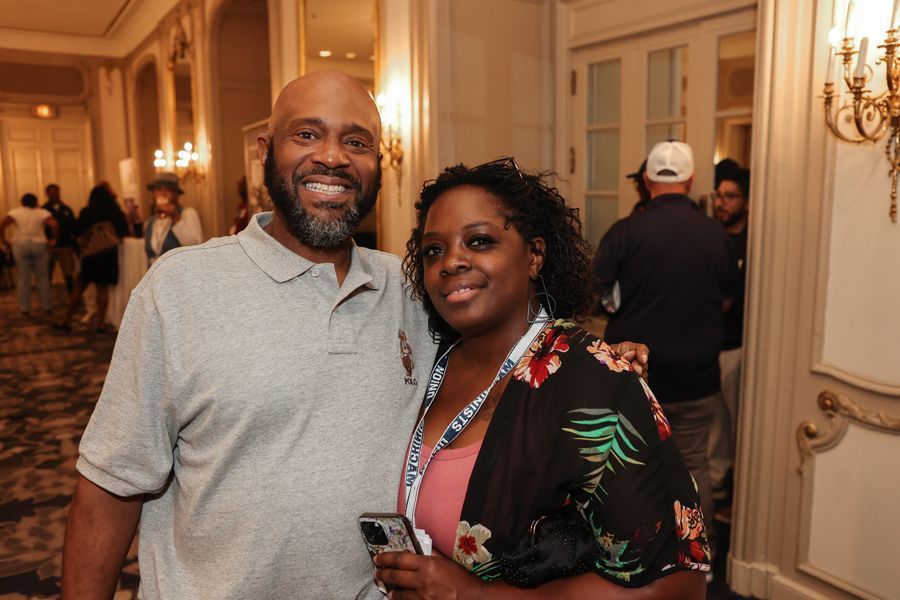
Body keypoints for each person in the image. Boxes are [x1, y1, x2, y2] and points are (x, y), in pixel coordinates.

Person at [62, 71, 650, 599]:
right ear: (265, 151)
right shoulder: (181, 289)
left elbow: (502, 347)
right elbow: (111, 487)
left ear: (378, 163)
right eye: (307, 134)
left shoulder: (412, 288)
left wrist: (597, 364)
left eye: (356, 141)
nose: (332, 158)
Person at [374, 159, 709, 598]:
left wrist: (472, 594)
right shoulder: (426, 361)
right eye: (434, 250)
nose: (452, 261)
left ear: (534, 255)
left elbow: (678, 586)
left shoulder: (596, 383)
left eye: (479, 241)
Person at [592, 141, 737, 561]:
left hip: (638, 380)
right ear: (691, 181)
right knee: (696, 470)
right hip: (698, 378)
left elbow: (598, 294)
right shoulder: (717, 234)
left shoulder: (626, 232)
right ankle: (701, 564)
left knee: (631, 472)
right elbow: (727, 299)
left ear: (648, 181)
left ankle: (639, 564)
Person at [708, 159, 751, 504]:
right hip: (711, 345)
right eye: (719, 195)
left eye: (731, 197)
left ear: (746, 202)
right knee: (716, 423)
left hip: (741, 345)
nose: (722, 203)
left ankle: (740, 491)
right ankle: (719, 486)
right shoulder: (712, 238)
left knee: (740, 422)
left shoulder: (754, 244)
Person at [54, 183, 128, 334]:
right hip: (108, 254)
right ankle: (101, 323)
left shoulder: (88, 211)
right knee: (103, 289)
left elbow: (77, 230)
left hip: (91, 255)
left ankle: (66, 320)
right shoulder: (116, 212)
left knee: (79, 287)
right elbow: (123, 232)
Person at [0, 193, 57, 315]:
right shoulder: (42, 212)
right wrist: (53, 239)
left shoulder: (15, 212)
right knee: (42, 277)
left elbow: (2, 224)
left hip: (20, 244)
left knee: (23, 278)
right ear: (36, 202)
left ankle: (25, 308)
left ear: (22, 202)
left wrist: (3, 240)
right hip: (39, 244)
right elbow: (54, 224)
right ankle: (47, 306)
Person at [143, 172, 203, 263]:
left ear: (176, 195)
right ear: (153, 194)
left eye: (168, 190)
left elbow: (196, 246)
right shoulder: (149, 222)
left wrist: (175, 218)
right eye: (159, 190)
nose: (163, 194)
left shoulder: (187, 214)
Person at [43, 183, 79, 296]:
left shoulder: (66, 209)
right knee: (46, 273)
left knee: (68, 273)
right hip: (49, 247)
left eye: (56, 192)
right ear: (47, 194)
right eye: (52, 192)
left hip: (65, 246)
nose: (54, 194)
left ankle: (71, 296)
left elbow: (73, 226)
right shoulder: (43, 210)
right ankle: (46, 298)